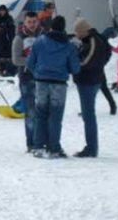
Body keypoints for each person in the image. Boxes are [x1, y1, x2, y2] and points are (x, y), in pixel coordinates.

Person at [26, 16, 80, 158]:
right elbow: (75, 68)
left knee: (41, 114)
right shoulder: (69, 46)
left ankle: (38, 147)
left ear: (51, 27)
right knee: (55, 117)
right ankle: (53, 148)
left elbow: (30, 63)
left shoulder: (40, 41)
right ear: (64, 28)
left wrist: (38, 73)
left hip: (41, 82)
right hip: (59, 84)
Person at [72, 18, 111, 158]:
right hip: (92, 79)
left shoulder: (94, 41)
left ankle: (91, 148)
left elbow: (86, 61)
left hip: (89, 81)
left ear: (83, 31)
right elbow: (108, 52)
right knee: (88, 114)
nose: (76, 34)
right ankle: (91, 147)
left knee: (88, 116)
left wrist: (74, 66)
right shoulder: (94, 38)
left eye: (77, 32)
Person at [12, 12, 40, 152]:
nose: (32, 24)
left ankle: (40, 140)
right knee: (30, 112)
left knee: (41, 112)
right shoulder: (19, 38)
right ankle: (31, 143)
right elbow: (16, 60)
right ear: (25, 22)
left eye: (34, 21)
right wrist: (33, 62)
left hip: (41, 79)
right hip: (26, 78)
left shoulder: (42, 36)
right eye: (29, 22)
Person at [0, 5, 16, 76]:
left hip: (8, 40)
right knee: (0, 56)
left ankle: (8, 71)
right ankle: (1, 71)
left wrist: (3, 29)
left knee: (8, 56)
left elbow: (11, 29)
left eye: (4, 11)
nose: (2, 12)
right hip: (0, 40)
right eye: (1, 11)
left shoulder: (9, 18)